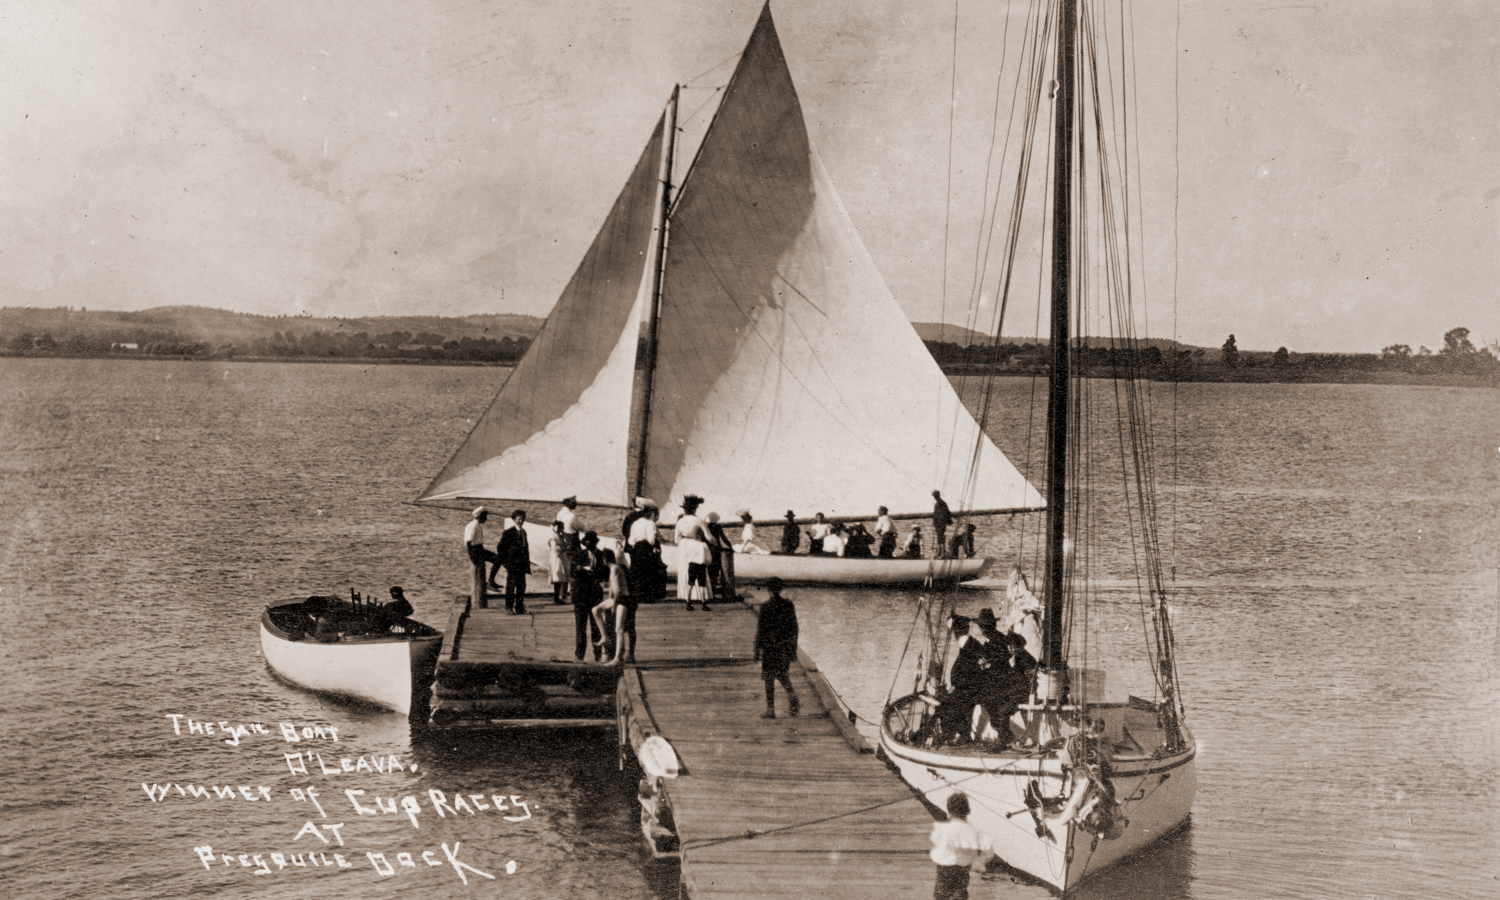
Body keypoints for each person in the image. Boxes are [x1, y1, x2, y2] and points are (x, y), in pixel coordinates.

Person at [930, 792, 993, 900]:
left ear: (949, 812)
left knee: (941, 895)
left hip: (944, 874)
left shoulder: (944, 829)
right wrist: (978, 863)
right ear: (968, 811)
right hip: (962, 873)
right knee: (960, 893)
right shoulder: (974, 830)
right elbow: (989, 852)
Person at [753, 577, 799, 719]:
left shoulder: (765, 607)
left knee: (769, 678)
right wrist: (793, 649)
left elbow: (761, 631)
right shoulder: (788, 605)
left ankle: (770, 709)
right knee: (782, 674)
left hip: (769, 647)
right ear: (781, 589)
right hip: (784, 646)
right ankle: (792, 695)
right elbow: (794, 628)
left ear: (768, 590)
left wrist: (756, 651)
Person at [674, 495, 714, 611]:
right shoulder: (699, 520)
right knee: (700, 571)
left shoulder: (680, 521)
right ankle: (702, 599)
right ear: (695, 508)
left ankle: (686, 597)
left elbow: (676, 539)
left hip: (683, 546)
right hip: (697, 545)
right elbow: (709, 537)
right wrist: (716, 544)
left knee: (686, 570)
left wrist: (684, 542)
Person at [571, 531, 605, 661]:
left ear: (595, 543)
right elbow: (572, 572)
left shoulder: (600, 555)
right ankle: (579, 656)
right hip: (580, 596)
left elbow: (605, 574)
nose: (588, 545)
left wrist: (595, 572)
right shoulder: (579, 554)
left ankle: (598, 656)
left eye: (590, 543)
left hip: (594, 596)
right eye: (587, 544)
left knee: (596, 628)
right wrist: (581, 569)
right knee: (580, 629)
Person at [494, 509, 532, 614]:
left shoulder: (523, 532)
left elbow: (526, 549)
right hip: (512, 565)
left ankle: (519, 608)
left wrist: (527, 564)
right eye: (519, 519)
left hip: (522, 565)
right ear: (514, 519)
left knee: (521, 587)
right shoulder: (508, 532)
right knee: (511, 586)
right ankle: (509, 608)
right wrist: (506, 563)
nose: (521, 521)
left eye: (523, 518)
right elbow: (500, 548)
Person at [591, 548, 625, 662]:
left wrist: (613, 606)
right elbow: (612, 587)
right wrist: (608, 601)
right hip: (616, 598)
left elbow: (618, 590)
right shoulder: (612, 569)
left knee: (619, 629)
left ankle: (617, 658)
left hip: (623, 599)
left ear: (605, 559)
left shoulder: (615, 568)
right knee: (595, 610)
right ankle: (604, 636)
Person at [464, 507, 500, 608]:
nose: (486, 518)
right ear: (480, 516)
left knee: (498, 559)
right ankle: (490, 582)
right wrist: (472, 557)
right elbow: (468, 542)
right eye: (485, 516)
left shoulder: (476, 525)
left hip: (479, 549)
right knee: (497, 559)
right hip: (476, 551)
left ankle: (491, 581)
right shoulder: (473, 526)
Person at [626, 503, 663, 603]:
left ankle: (637, 595)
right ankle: (647, 596)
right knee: (648, 572)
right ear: (651, 513)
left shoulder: (635, 523)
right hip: (646, 547)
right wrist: (654, 546)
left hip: (636, 548)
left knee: (637, 571)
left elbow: (631, 540)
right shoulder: (650, 523)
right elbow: (651, 539)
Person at [706, 511, 736, 601]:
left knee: (709, 572)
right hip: (717, 550)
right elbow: (723, 538)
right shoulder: (718, 526)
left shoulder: (706, 527)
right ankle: (716, 592)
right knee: (715, 572)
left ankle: (710, 593)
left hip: (708, 550)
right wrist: (730, 546)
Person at [547, 520, 570, 604]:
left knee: (559, 579)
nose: (563, 529)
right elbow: (555, 549)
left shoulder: (558, 536)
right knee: (558, 579)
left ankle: (557, 597)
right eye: (562, 527)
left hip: (560, 558)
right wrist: (565, 548)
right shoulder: (553, 537)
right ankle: (556, 598)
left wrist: (563, 537)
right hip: (557, 559)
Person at [932, 490, 953, 558]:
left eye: (935, 496)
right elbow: (935, 514)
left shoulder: (942, 503)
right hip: (937, 523)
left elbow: (947, 513)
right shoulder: (937, 504)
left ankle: (942, 553)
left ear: (938, 495)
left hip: (941, 523)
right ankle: (939, 553)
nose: (935, 497)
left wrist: (947, 522)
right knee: (939, 538)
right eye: (934, 496)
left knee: (941, 538)